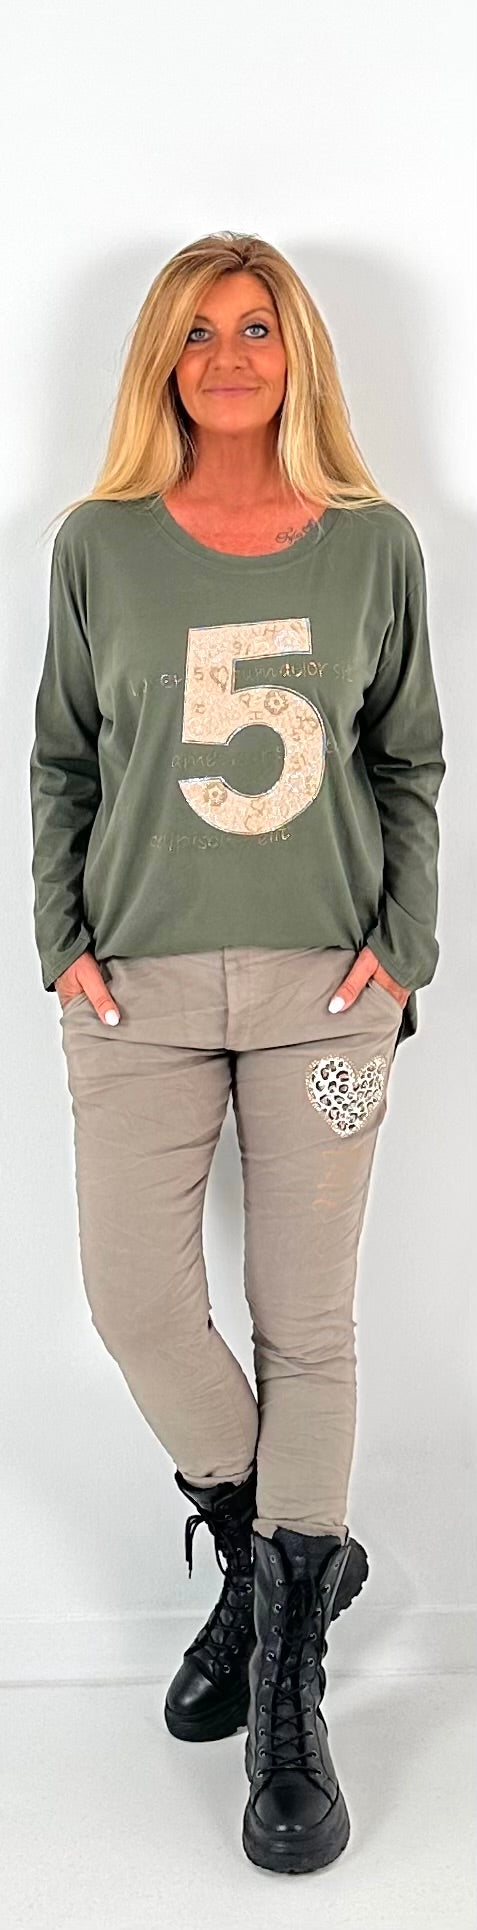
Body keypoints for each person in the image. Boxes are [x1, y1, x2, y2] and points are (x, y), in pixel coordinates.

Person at [29, 231, 446, 1877]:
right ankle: (290, 1555)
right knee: (135, 1298)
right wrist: (59, 936)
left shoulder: (372, 545)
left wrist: (401, 948)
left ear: (298, 354)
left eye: (256, 326)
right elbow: (62, 757)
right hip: (129, 991)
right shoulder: (98, 544)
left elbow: (407, 761)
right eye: (197, 330)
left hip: (320, 997)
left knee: (306, 1323)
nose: (227, 354)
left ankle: (283, 1684)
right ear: (162, 357)